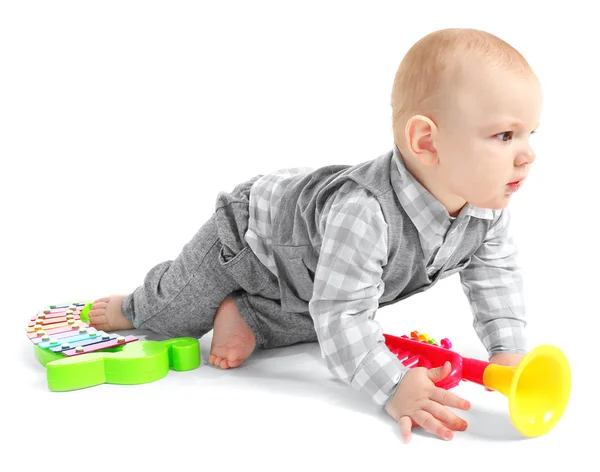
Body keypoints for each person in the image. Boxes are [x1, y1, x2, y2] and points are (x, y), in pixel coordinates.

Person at [88, 28, 542, 443]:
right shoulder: (366, 213)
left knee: (328, 316)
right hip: (251, 237)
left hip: (313, 272)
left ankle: (250, 317)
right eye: (504, 135)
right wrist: (393, 385)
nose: (527, 155)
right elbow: (343, 319)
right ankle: (137, 303)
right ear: (426, 141)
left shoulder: (485, 208)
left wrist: (507, 351)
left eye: (529, 134)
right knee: (174, 316)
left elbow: (494, 276)